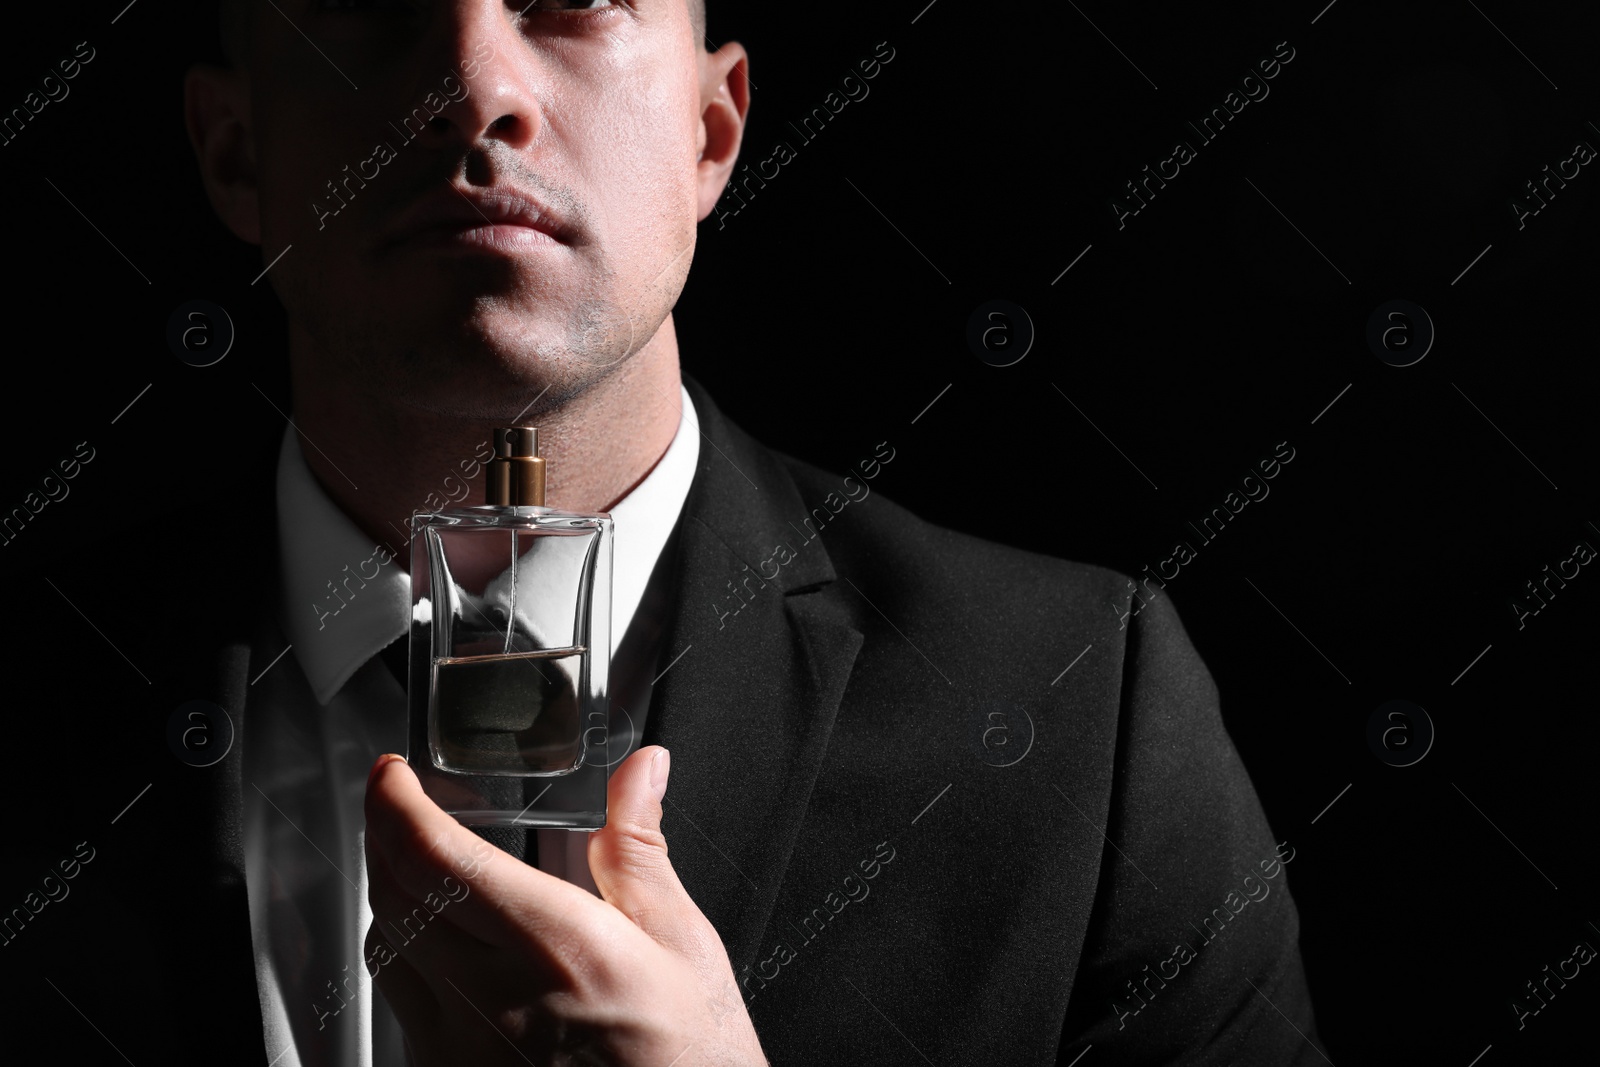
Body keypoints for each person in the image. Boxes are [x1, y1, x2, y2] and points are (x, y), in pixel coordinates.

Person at [153, 0, 1326, 1063]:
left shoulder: (1079, 710)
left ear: (711, 132)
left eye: (574, 0)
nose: (474, 89)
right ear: (232, 147)